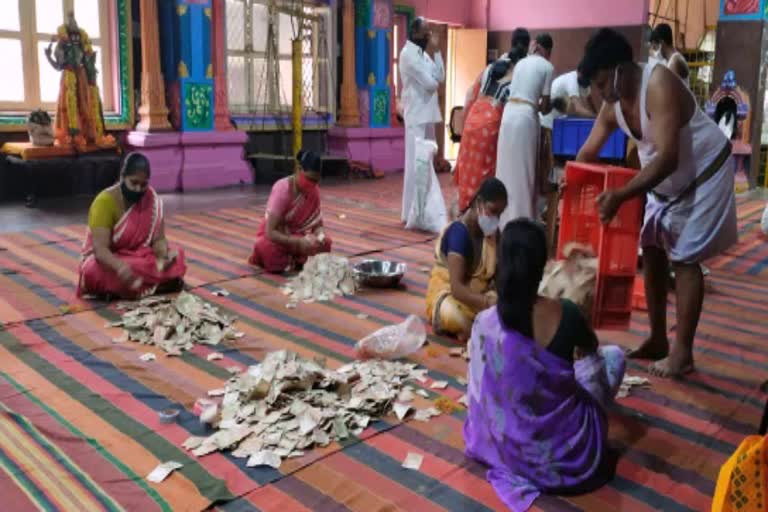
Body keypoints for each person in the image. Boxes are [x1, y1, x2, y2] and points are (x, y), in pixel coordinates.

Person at [576, 29, 736, 378]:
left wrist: (620, 195)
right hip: (666, 184)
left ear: (621, 68)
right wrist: (572, 188)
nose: (602, 93)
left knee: (686, 257)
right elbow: (587, 153)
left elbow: (667, 157)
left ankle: (683, 354)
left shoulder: (658, 83)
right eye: (597, 87)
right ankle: (659, 339)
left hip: (704, 173)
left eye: (603, 83)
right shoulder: (611, 106)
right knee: (651, 252)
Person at [464, 219, 626, 511]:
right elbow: (594, 357)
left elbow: (479, 388)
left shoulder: (485, 323)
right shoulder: (567, 313)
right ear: (542, 267)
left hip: (504, 446)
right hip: (566, 456)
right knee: (615, 356)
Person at [77, 153, 186, 299]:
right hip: (109, 261)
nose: (138, 189)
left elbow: (159, 239)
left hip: (139, 257)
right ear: (122, 177)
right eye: (133, 183)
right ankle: (160, 285)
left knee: (177, 255)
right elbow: (100, 250)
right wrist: (120, 267)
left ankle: (129, 289)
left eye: (143, 184)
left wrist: (163, 256)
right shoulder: (104, 202)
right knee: (93, 271)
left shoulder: (151, 199)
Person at [453, 29, 530, 213]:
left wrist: (465, 126)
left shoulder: (491, 67)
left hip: (473, 119)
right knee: (486, 175)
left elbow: (470, 93)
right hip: (492, 125)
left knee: (469, 173)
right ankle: (483, 217)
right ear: (527, 48)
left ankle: (465, 212)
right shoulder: (519, 74)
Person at [425, 178, 507, 341]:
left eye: (500, 214)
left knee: (508, 309)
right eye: (493, 211)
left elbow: (499, 278)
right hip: (451, 296)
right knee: (455, 315)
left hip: (479, 297)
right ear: (479, 203)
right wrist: (488, 304)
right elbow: (457, 289)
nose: (496, 218)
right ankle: (475, 330)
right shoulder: (459, 233)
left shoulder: (492, 234)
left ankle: (478, 328)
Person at [496, 33, 554, 227]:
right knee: (524, 170)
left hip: (508, 114)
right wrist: (551, 105)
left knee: (505, 168)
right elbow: (544, 106)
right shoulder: (547, 66)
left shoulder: (521, 63)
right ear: (548, 52)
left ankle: (503, 218)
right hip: (525, 118)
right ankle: (522, 221)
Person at [249, 150, 331, 273]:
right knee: (266, 249)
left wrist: (321, 236)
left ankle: (294, 260)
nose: (312, 184)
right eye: (309, 179)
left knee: (326, 244)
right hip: (278, 238)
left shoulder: (314, 191)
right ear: (299, 169)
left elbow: (318, 225)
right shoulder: (282, 189)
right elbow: (270, 232)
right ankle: (297, 260)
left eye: (316, 181)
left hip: (298, 237)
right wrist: (298, 242)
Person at [45, 12, 115, 149]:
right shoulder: (62, 46)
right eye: (72, 35)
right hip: (69, 76)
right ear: (67, 36)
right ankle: (72, 135)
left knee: (84, 105)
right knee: (69, 104)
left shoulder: (84, 45)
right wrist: (48, 57)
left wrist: (92, 80)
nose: (75, 38)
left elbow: (89, 65)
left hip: (82, 78)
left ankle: (85, 135)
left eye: (77, 35)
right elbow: (58, 66)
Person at [399, 17, 445, 222]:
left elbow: (440, 77)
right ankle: (409, 213)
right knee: (414, 165)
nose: (429, 36)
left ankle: (423, 210)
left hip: (428, 115)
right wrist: (434, 79)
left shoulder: (423, 55)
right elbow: (430, 84)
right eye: (426, 32)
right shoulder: (409, 55)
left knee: (427, 164)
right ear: (415, 33)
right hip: (416, 116)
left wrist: (436, 52)